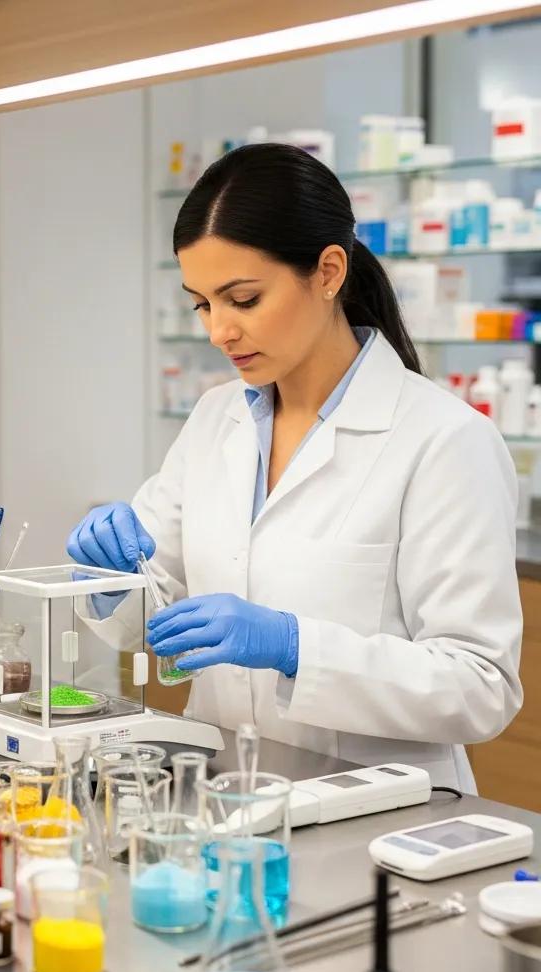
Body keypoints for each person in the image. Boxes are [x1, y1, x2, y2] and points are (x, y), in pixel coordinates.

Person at [68, 143, 522, 791]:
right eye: (202, 303)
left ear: (329, 271)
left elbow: (480, 686)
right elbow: (154, 614)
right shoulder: (214, 420)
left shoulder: (444, 440)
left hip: (380, 815)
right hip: (223, 796)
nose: (219, 331)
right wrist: (112, 580)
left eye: (243, 299)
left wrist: (295, 646)